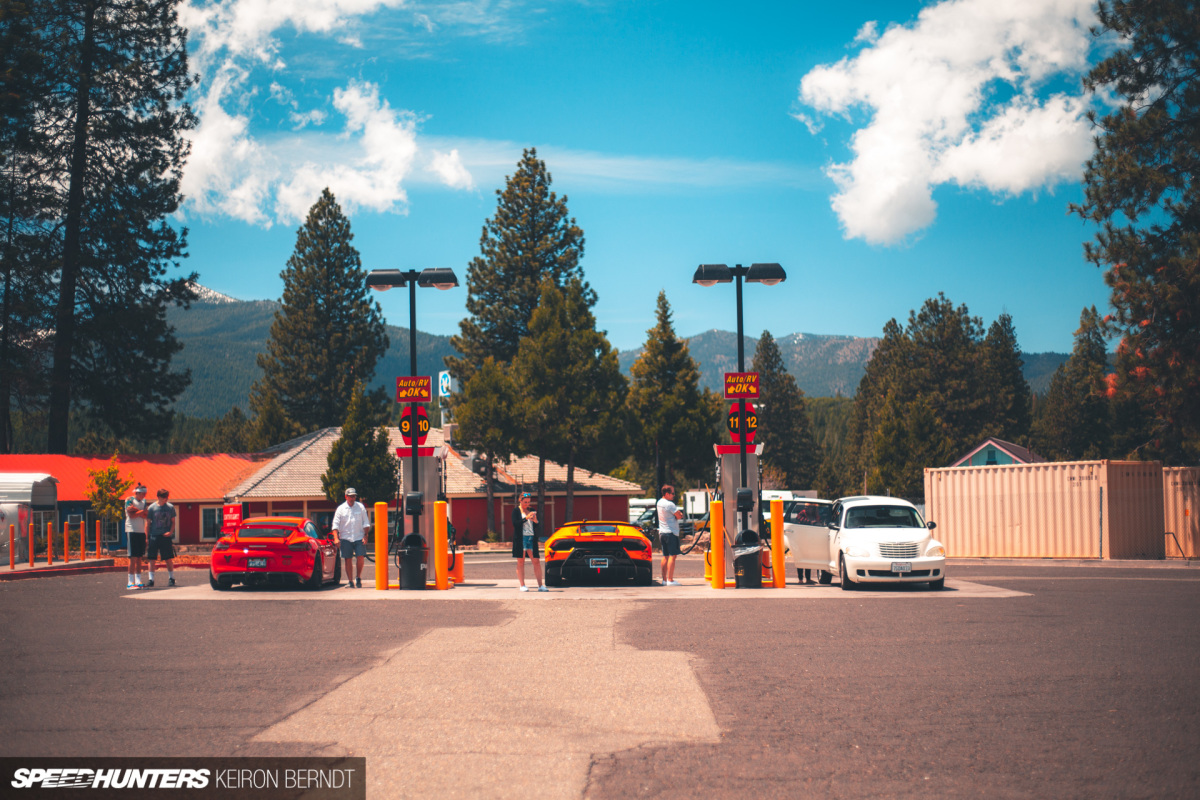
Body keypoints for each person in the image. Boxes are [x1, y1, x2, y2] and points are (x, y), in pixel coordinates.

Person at [332, 488, 371, 588]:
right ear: (346, 497)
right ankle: (350, 581)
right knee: (347, 559)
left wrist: (366, 536)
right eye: (351, 496)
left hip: (359, 536)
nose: (353, 498)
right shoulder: (340, 509)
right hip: (345, 537)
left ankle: (358, 577)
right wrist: (336, 538)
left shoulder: (360, 507)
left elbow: (366, 523)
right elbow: (335, 525)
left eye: (354, 496)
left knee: (360, 557)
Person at [511, 492, 546, 592]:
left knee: (536, 562)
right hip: (521, 539)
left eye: (529, 502)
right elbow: (515, 524)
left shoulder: (532, 510)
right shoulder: (516, 511)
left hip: (531, 538)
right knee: (521, 562)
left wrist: (535, 521)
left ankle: (541, 586)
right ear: (520, 500)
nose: (527, 504)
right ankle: (522, 585)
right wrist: (526, 518)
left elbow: (536, 526)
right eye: (525, 502)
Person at [145, 489, 177, 587]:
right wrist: (147, 537)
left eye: (167, 497)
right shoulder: (151, 508)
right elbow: (148, 523)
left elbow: (173, 522)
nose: (166, 499)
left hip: (165, 536)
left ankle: (171, 578)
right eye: (164, 497)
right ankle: (151, 579)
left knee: (168, 558)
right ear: (158, 497)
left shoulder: (170, 507)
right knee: (152, 558)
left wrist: (171, 532)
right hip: (154, 536)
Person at [657, 484, 684, 586]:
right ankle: (670, 580)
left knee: (665, 556)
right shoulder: (670, 504)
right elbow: (679, 516)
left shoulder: (659, 502)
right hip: (671, 533)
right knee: (673, 556)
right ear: (667, 494)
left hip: (662, 532)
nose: (674, 495)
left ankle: (664, 580)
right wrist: (679, 514)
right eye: (672, 493)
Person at [124, 485, 149, 590]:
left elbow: (146, 515)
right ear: (137, 492)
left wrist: (137, 511)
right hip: (132, 530)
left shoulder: (144, 502)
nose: (144, 495)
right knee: (132, 557)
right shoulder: (129, 500)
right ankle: (130, 581)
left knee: (139, 556)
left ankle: (138, 580)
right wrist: (141, 511)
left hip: (140, 531)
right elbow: (131, 514)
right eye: (142, 493)